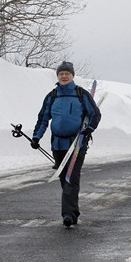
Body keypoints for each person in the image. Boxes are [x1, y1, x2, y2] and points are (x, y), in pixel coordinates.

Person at [31, 61, 101, 227]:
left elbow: (95, 114)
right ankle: (73, 211)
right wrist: (36, 137)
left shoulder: (81, 94)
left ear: (72, 76)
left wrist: (88, 129)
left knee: (71, 177)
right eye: (61, 73)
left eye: (67, 73)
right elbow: (43, 119)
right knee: (64, 179)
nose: (64, 76)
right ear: (57, 76)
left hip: (77, 144)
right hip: (57, 144)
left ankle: (68, 214)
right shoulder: (52, 96)